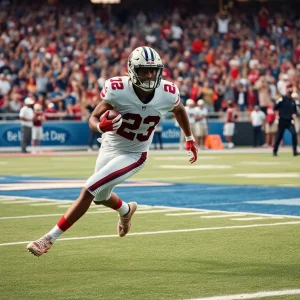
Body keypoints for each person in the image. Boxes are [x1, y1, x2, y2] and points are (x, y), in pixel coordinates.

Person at [26, 46, 198, 257]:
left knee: (90, 188)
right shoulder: (117, 89)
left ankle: (49, 238)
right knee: (99, 197)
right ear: (133, 69)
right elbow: (93, 117)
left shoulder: (168, 92)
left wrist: (189, 138)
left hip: (135, 154)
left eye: (154, 70)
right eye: (144, 70)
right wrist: (100, 127)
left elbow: (179, 110)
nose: (150, 75)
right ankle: (126, 210)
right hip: (110, 145)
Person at [273, 85, 298, 156]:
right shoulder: (282, 99)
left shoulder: (293, 101)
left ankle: (295, 151)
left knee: (294, 133)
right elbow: (275, 107)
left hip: (289, 121)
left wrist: (294, 114)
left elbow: (294, 111)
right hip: (282, 120)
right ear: (286, 93)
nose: (289, 94)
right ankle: (275, 151)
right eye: (288, 93)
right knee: (279, 136)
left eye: (290, 93)